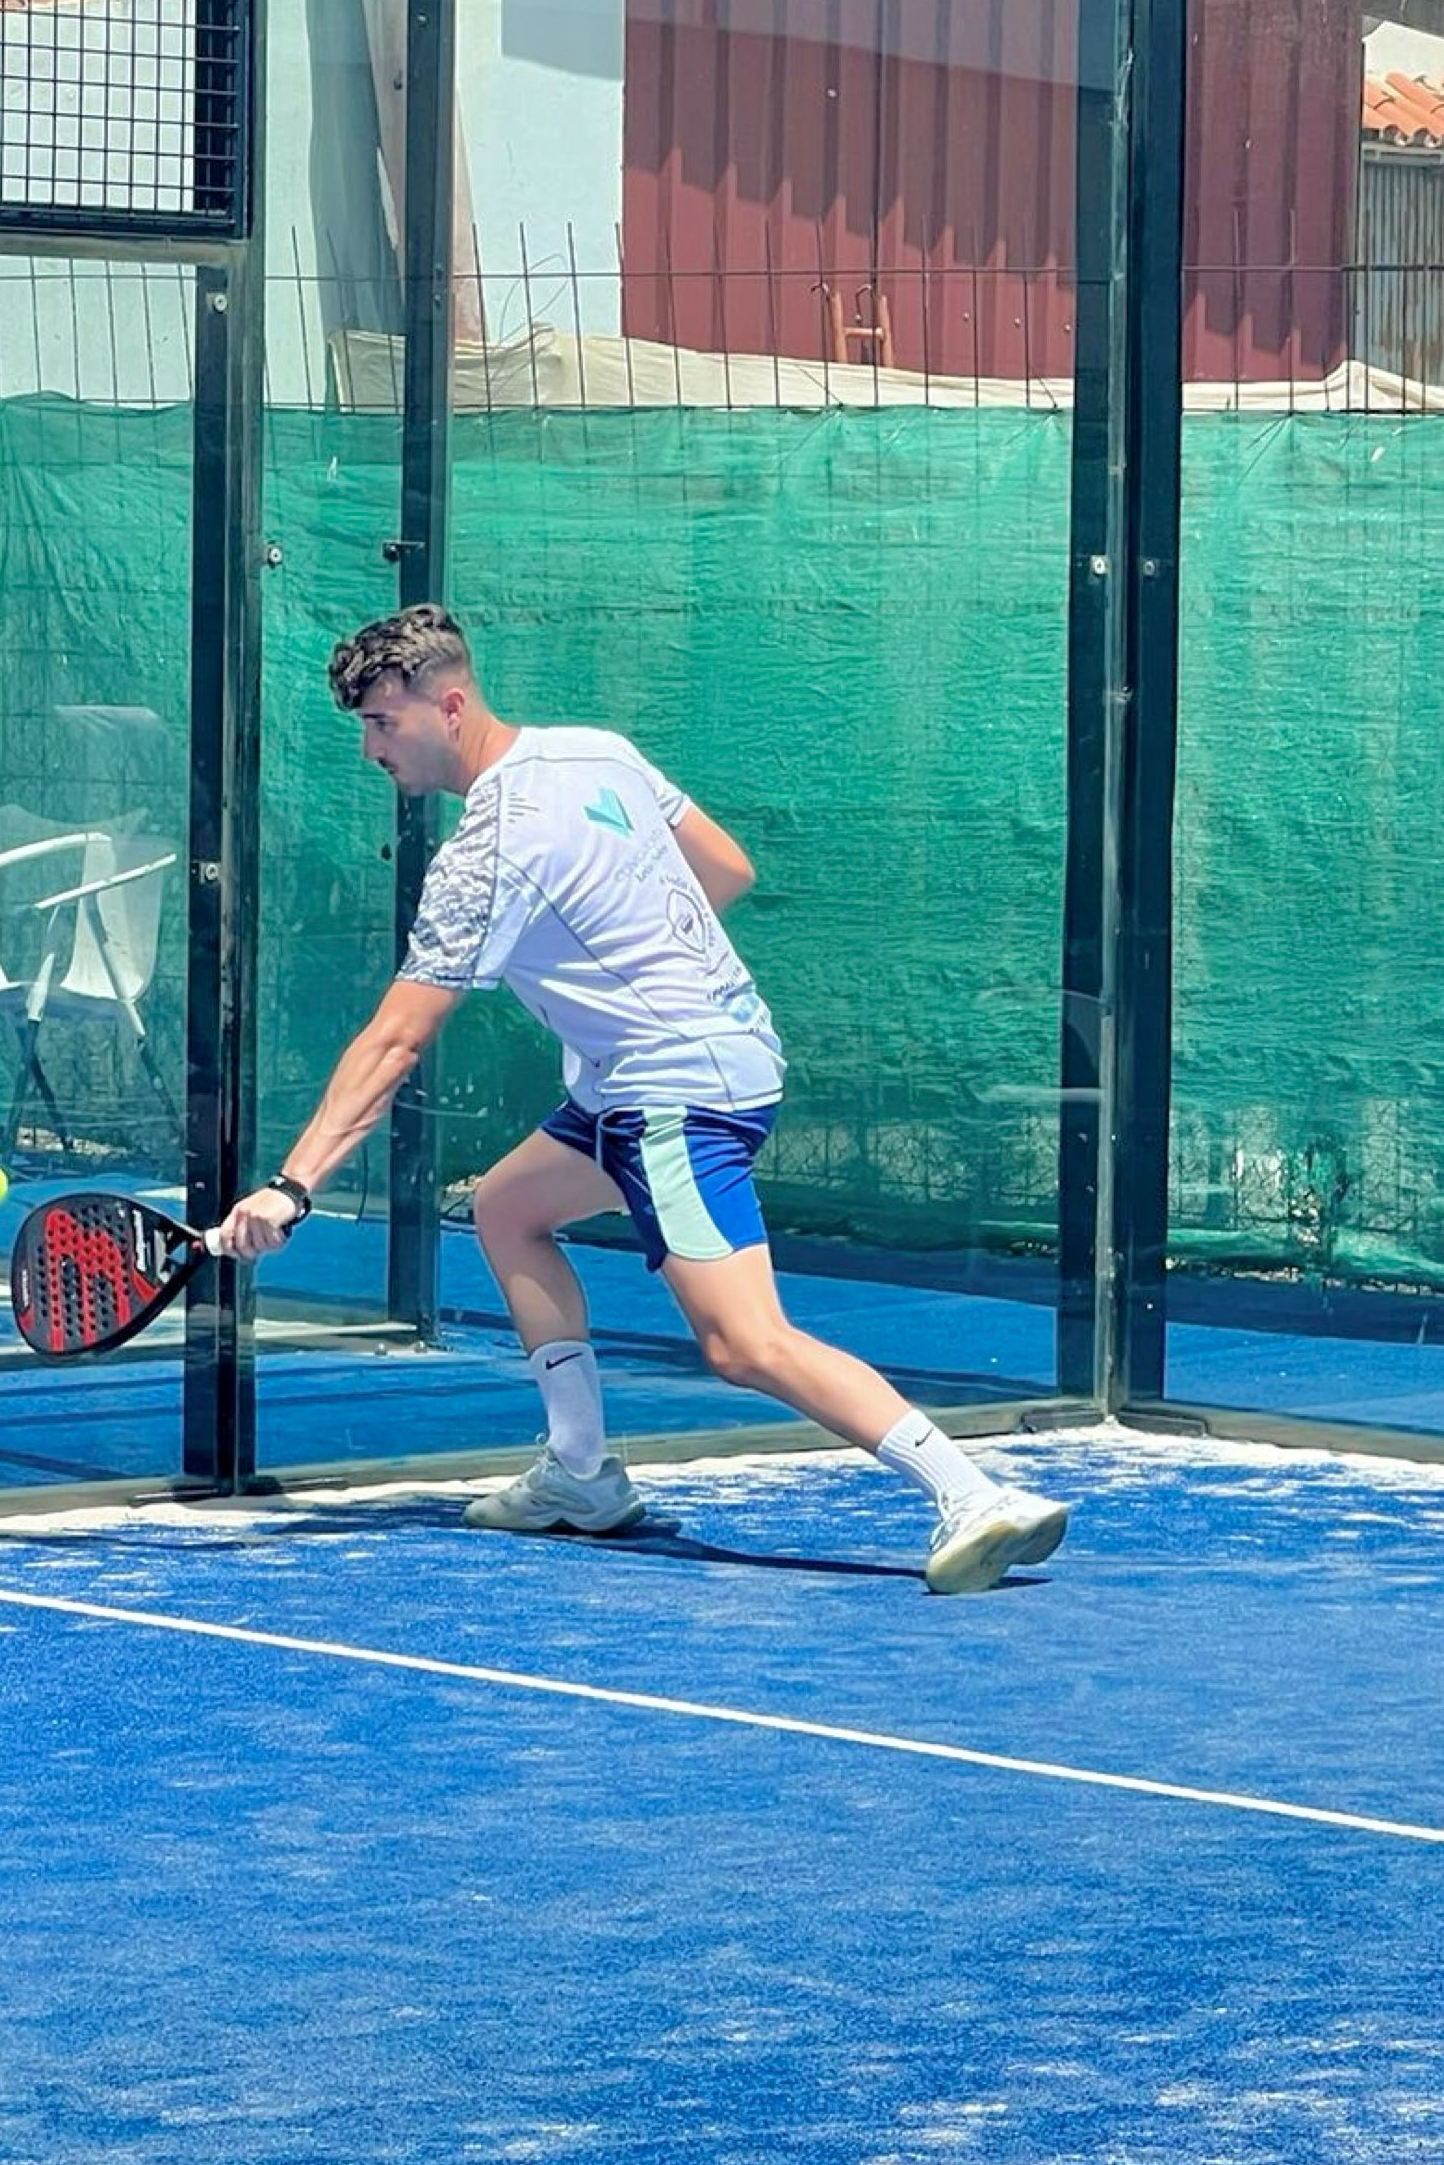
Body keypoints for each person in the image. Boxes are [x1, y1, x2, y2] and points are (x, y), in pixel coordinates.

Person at [218, 606, 1067, 1596]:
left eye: (382, 723)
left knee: (743, 1343)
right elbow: (727, 868)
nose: (371, 749)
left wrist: (290, 1187)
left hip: (673, 1092)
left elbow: (396, 1039)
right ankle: (581, 1471)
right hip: (695, 1061)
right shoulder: (596, 752)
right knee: (507, 1207)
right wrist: (638, 962)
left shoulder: (484, 856)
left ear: (447, 705)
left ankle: (972, 1495)